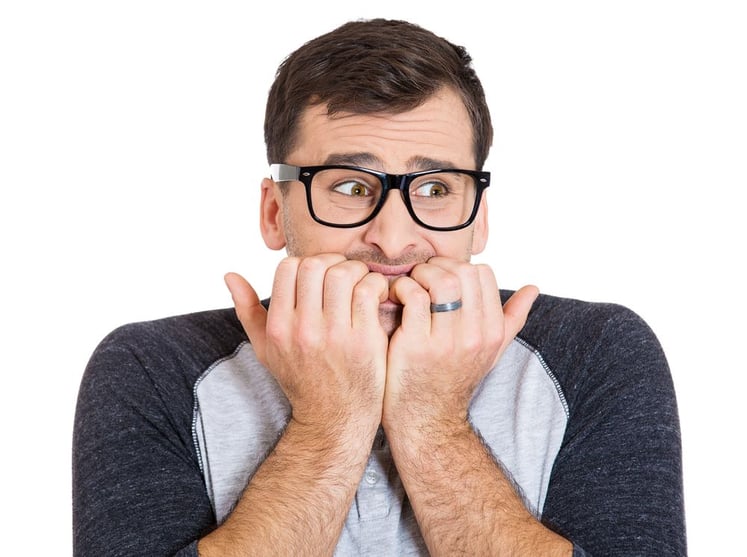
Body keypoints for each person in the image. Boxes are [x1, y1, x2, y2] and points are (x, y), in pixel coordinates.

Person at [72, 18, 686, 556]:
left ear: (481, 215)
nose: (393, 240)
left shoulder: (598, 352)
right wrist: (330, 421)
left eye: (437, 189)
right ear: (273, 212)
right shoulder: (152, 369)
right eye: (348, 186)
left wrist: (431, 419)